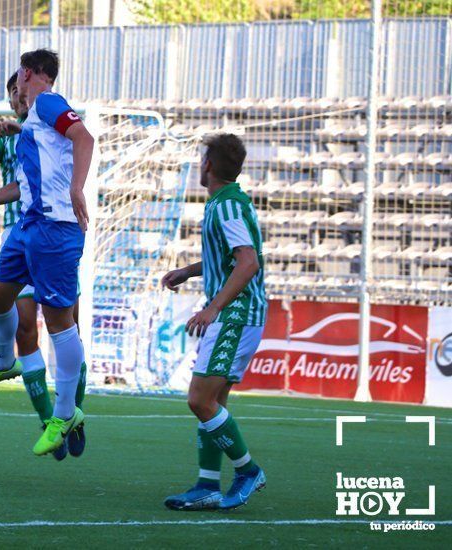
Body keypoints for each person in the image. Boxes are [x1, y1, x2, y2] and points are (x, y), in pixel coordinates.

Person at [0, 49, 94, 457]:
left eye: (18, 80)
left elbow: (85, 137)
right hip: (27, 226)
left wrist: (77, 188)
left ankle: (65, 414)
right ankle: (3, 361)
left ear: (27, 74)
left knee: (61, 325)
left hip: (55, 228)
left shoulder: (46, 101)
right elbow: (12, 177)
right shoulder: (28, 125)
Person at [161, 133, 267, 511]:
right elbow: (230, 258)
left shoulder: (226, 206)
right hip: (235, 312)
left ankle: (248, 471)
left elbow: (248, 263)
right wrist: (189, 272)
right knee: (213, 404)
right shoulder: (226, 202)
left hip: (236, 314)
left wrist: (213, 309)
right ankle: (207, 485)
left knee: (200, 400)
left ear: (207, 165)